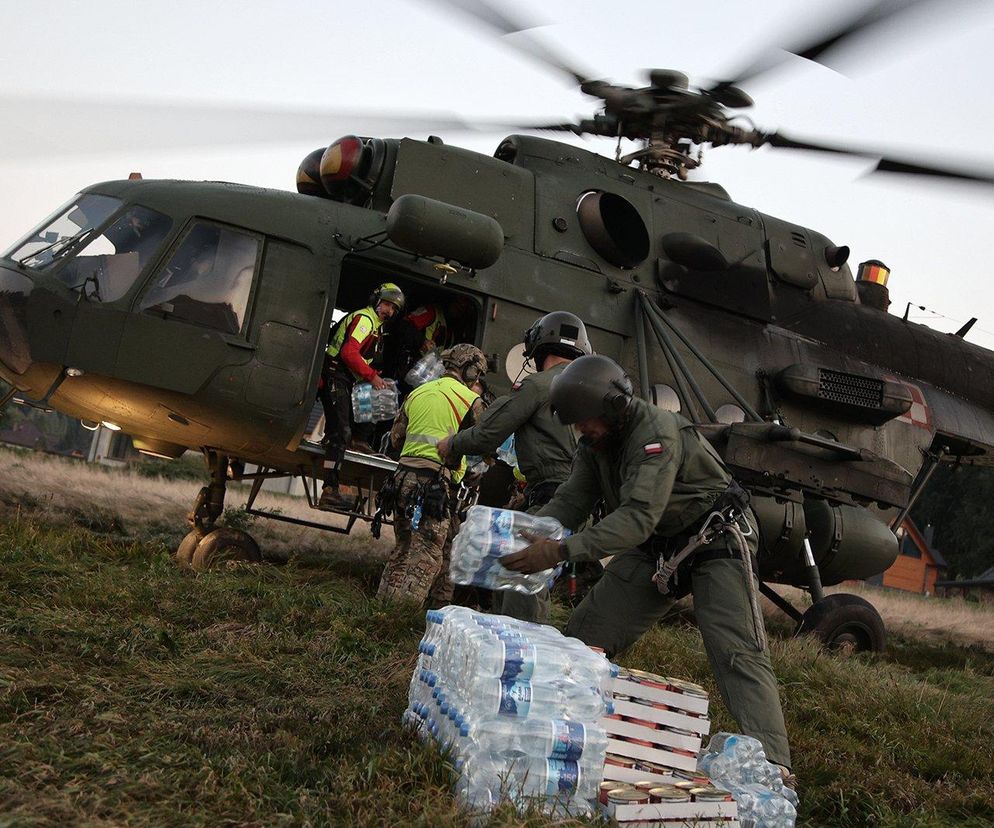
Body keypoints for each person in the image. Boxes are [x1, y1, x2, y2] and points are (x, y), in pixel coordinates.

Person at [501, 354, 793, 773]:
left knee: (735, 651)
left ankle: (773, 767)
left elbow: (637, 518)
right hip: (658, 545)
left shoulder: (656, 432)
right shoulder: (596, 444)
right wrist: (535, 529)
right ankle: (563, 728)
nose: (582, 431)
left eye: (586, 421)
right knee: (584, 639)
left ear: (613, 406)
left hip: (715, 537)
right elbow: (573, 498)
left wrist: (560, 551)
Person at [436, 310, 592, 622]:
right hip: (580, 499)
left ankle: (520, 648)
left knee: (517, 567)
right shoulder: (589, 388)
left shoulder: (537, 386)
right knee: (532, 574)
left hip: (555, 496)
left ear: (538, 348)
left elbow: (487, 434)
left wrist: (450, 445)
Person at [376, 344, 489, 606]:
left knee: (403, 548)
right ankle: (400, 618)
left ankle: (381, 608)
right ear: (470, 370)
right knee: (426, 554)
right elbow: (487, 444)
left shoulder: (418, 392)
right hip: (433, 487)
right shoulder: (471, 400)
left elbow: (395, 440)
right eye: (478, 373)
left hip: (401, 481)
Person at [317, 282, 405, 511]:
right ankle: (329, 490)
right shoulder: (365, 320)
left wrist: (375, 378)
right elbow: (348, 352)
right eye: (387, 304)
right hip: (337, 375)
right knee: (340, 432)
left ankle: (360, 441)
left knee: (382, 392)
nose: (390, 311)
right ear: (376, 301)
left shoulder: (376, 325)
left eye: (394, 309)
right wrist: (372, 377)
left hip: (347, 379)